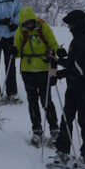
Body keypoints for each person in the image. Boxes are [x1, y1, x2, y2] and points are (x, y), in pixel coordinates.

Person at [51, 9, 85, 164]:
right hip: (74, 86)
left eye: (70, 25)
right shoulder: (78, 40)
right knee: (67, 117)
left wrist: (58, 74)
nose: (69, 28)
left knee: (84, 119)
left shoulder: (83, 42)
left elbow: (79, 70)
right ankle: (63, 150)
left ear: (78, 25)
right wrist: (57, 60)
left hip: (84, 87)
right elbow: (73, 62)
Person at [13, 7, 61, 146]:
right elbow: (17, 51)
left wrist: (58, 51)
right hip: (27, 70)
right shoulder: (20, 31)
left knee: (46, 100)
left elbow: (52, 42)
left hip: (43, 68)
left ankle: (54, 129)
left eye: (30, 22)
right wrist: (14, 51)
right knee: (32, 100)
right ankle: (37, 130)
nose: (28, 25)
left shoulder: (43, 27)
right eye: (25, 23)